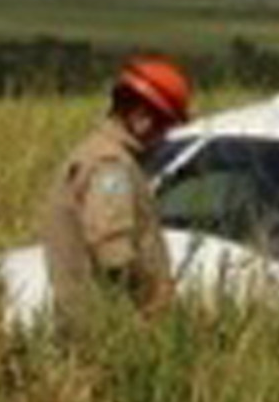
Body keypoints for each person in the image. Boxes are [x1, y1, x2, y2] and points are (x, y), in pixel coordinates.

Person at [38, 54, 189, 319]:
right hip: (106, 324)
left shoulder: (92, 152)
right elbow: (113, 250)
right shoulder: (110, 166)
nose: (164, 136)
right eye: (165, 125)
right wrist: (153, 299)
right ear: (143, 117)